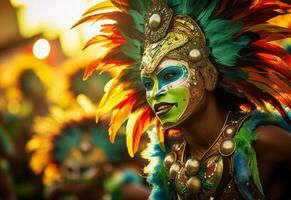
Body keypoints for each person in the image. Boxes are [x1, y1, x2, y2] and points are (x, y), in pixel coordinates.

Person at [74, 0, 291, 199]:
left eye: (170, 75)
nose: (155, 93)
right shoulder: (171, 161)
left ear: (208, 76)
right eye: (148, 84)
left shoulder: (263, 142)